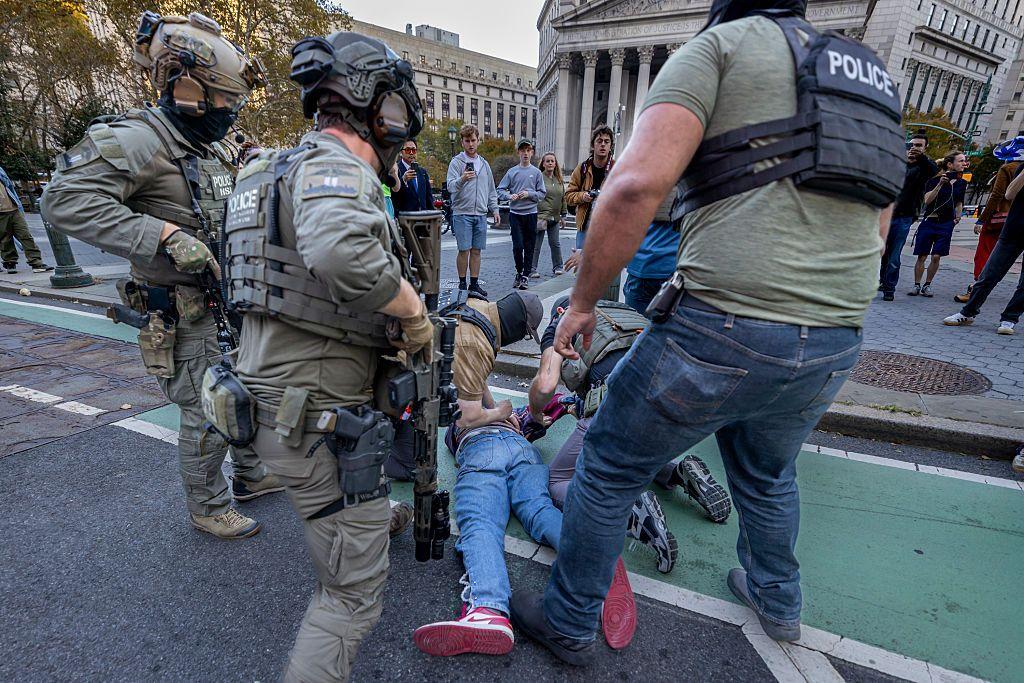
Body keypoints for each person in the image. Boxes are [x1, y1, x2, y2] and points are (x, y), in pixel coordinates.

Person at [510, 0, 901, 662]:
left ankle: (570, 619)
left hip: (724, 322)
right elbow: (882, 215)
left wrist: (581, 303)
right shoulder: (865, 76)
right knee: (768, 474)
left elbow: (633, 188)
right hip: (836, 335)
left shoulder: (719, 48)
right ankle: (778, 600)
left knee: (606, 464)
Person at [223, 30, 426, 680]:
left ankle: (366, 516)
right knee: (350, 597)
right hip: (317, 423)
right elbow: (340, 252)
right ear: (379, 108)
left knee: (341, 516)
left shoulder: (269, 170)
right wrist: (413, 311)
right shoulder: (334, 166)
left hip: (270, 405)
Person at [41, 11, 281, 539]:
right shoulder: (140, 139)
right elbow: (62, 200)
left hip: (225, 299)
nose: (232, 110)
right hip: (183, 308)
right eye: (227, 99)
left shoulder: (202, 141)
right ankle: (208, 506)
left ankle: (251, 474)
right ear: (190, 92)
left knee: (244, 392)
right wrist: (163, 235)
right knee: (208, 409)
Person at [413, 290, 637, 657]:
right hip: (521, 450)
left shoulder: (463, 353)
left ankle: (488, 608)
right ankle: (597, 563)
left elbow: (467, 415)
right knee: (540, 511)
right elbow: (487, 392)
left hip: (480, 447)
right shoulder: (483, 339)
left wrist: (497, 411)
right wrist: (508, 414)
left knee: (482, 524)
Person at [524, 296, 732, 574]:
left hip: (619, 403)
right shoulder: (624, 312)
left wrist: (536, 412)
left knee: (556, 480)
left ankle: (629, 509)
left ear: (561, 311)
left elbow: (546, 385)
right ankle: (678, 473)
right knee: (634, 450)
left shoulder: (561, 323)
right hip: (675, 406)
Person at [943, 160, 1024, 334]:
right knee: (989, 275)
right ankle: (968, 312)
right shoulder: (1021, 168)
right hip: (1014, 230)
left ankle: (1009, 319)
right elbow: (1009, 194)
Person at [879, 131, 937, 301]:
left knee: (894, 254)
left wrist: (921, 157)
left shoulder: (924, 167)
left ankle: (889, 288)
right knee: (882, 251)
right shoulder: (898, 163)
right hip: (887, 213)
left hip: (904, 217)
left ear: (925, 148)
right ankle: (883, 281)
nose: (914, 148)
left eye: (918, 146)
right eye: (911, 145)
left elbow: (933, 170)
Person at [955, 156, 1021, 303]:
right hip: (1017, 219)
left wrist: (982, 219)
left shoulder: (1008, 168)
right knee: (1003, 256)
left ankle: (976, 289)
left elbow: (997, 195)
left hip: (999, 218)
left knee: (984, 252)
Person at [447, 124, 499, 297]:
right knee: (464, 250)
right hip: (462, 213)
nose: (471, 144)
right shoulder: (456, 162)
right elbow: (450, 186)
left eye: (473, 140)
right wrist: (462, 179)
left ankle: (474, 284)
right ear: (462, 142)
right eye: (467, 141)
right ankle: (462, 284)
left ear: (478, 141)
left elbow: (491, 189)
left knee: (476, 251)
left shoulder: (484, 164)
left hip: (481, 214)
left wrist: (495, 209)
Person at [907, 151, 968, 297]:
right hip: (929, 222)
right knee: (922, 255)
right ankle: (916, 284)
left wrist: (957, 217)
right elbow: (927, 200)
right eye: (960, 161)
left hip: (946, 224)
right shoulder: (933, 180)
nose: (964, 163)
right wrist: (940, 184)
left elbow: (959, 202)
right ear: (950, 164)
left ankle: (927, 285)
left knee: (936, 256)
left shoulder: (962, 183)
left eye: (964, 161)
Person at [497, 138, 546, 290]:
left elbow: (542, 194)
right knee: (518, 246)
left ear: (532, 153)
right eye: (523, 150)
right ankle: (519, 272)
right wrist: (509, 196)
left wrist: (529, 194)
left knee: (529, 246)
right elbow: (500, 190)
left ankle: (525, 276)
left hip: (531, 214)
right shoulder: (512, 172)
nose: (525, 153)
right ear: (518, 152)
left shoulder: (536, 173)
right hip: (515, 214)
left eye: (528, 150)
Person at [623, 193, 680, 315]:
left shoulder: (641, 188)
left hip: (641, 267)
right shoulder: (691, 188)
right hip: (673, 269)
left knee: (634, 322)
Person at [566, 125, 615, 250]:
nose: (603, 144)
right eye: (599, 141)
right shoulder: (582, 168)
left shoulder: (617, 169)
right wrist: (583, 196)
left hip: (608, 230)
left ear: (610, 146)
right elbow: (568, 196)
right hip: (585, 230)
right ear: (593, 145)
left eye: (606, 142)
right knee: (581, 262)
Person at [0, 165, 52, 274]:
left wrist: (18, 204)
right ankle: (10, 263)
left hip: (14, 208)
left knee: (25, 235)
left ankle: (36, 263)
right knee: (5, 239)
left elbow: (9, 186)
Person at [532, 151, 567, 277]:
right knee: (536, 245)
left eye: (552, 161)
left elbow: (563, 198)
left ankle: (558, 267)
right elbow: (535, 196)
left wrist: (563, 215)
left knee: (555, 244)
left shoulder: (559, 180)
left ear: (555, 164)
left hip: (555, 218)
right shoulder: (539, 178)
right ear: (543, 164)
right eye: (548, 161)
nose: (550, 163)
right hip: (541, 217)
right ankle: (531, 269)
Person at [394, 138, 432, 213]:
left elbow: (428, 197)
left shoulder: (422, 172)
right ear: (401, 152)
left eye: (414, 150)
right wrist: (403, 180)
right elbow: (393, 196)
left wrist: (432, 215)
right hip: (404, 216)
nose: (411, 153)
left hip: (423, 215)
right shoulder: (395, 170)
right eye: (408, 150)